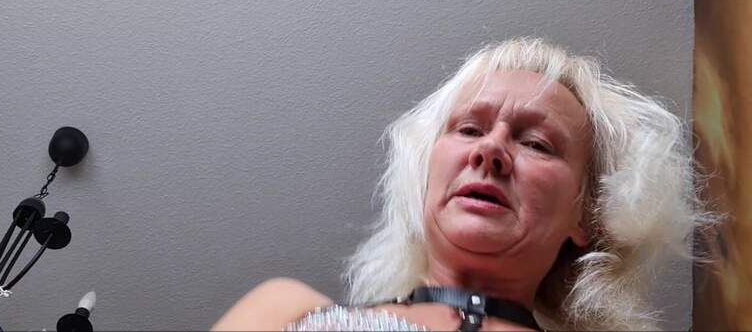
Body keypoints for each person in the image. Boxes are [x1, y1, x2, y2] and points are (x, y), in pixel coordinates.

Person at [211, 38, 713, 331]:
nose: (490, 151)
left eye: (536, 144)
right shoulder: (283, 310)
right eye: (469, 129)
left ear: (589, 213)